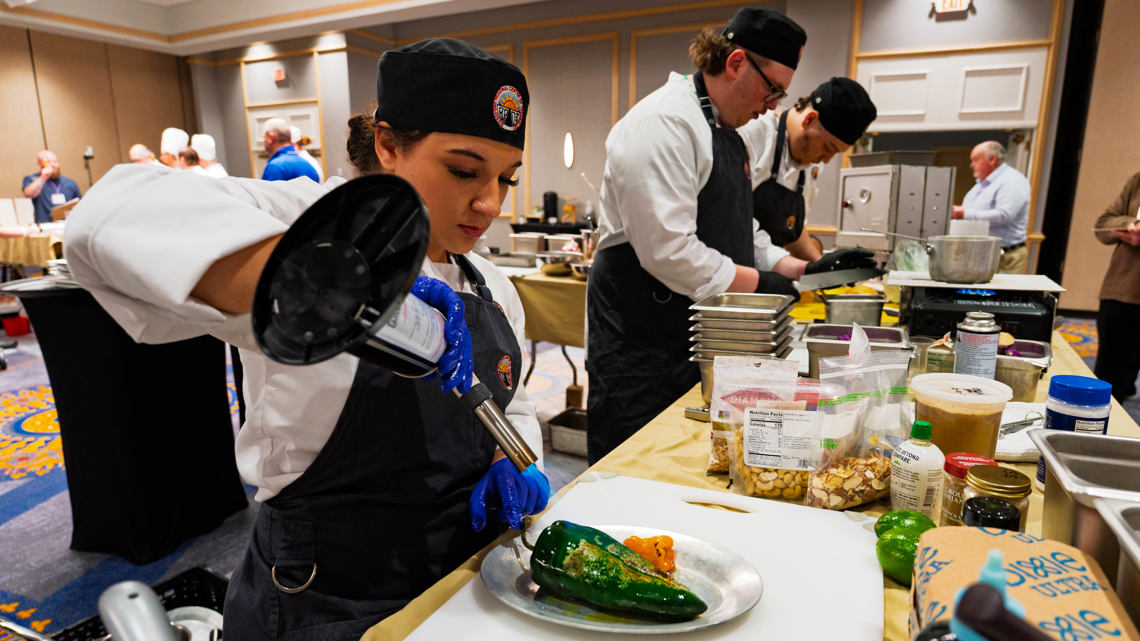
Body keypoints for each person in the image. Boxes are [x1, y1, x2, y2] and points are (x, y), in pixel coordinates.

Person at [64, 38, 548, 639]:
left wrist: (513, 455)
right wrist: (347, 286)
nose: (491, 203)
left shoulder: (491, 284)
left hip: (457, 579)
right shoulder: (313, 222)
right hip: (325, 599)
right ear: (389, 145)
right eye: (463, 170)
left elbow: (514, 400)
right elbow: (104, 218)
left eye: (508, 178)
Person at [586, 7, 875, 464]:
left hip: (695, 337)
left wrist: (801, 268)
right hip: (641, 339)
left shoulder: (726, 131)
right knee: (634, 467)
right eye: (772, 89)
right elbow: (670, 252)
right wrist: (761, 286)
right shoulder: (665, 123)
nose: (775, 106)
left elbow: (742, 231)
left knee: (690, 466)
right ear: (736, 62)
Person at [740, 76, 877, 261]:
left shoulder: (812, 164)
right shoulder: (752, 134)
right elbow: (735, 225)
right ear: (810, 119)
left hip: (768, 271)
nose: (826, 160)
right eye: (828, 148)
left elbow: (792, 230)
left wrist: (823, 267)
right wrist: (793, 267)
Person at [1093, 171, 1140, 402]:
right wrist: (1130, 225)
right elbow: (1102, 225)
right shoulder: (1137, 180)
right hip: (1123, 290)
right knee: (1108, 378)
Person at [951, 140, 1030, 273]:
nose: (971, 165)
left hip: (1005, 257)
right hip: (979, 254)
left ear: (992, 159)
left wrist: (963, 214)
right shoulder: (981, 184)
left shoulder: (1011, 180)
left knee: (1000, 294)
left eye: (976, 160)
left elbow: (1005, 215)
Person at [21, 150, 82, 224]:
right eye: (49, 162)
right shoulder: (32, 179)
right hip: (45, 225)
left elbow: (80, 204)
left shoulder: (70, 182)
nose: (53, 165)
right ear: (39, 163)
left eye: (55, 161)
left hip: (68, 224)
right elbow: (29, 194)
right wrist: (43, 177)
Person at [260, 117, 319, 182]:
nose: (263, 142)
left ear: (271, 138)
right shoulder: (307, 164)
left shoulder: (276, 166)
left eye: (264, 138)